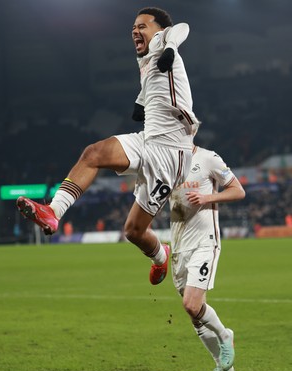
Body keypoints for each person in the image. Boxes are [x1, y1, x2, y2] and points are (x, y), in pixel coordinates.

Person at [16, 7, 200, 285]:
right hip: (148, 139)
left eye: (142, 26)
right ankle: (53, 212)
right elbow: (152, 84)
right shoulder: (146, 60)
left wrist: (171, 48)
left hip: (172, 152)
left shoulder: (165, 42)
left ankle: (161, 257)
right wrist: (141, 102)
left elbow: (182, 27)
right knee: (93, 153)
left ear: (159, 31)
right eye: (133, 28)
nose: (135, 31)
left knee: (134, 231)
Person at [169, 144, 245, 371]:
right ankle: (223, 367)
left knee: (192, 304)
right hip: (179, 246)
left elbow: (238, 190)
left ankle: (225, 335)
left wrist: (208, 197)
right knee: (194, 316)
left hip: (204, 242)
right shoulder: (167, 162)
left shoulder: (208, 158)